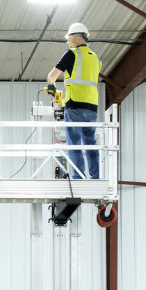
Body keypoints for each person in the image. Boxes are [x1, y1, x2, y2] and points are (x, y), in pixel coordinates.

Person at [46, 23, 102, 179]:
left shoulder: (72, 54)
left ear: (78, 38)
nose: (67, 42)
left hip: (74, 105)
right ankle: (95, 177)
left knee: (74, 143)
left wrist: (51, 86)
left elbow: (52, 76)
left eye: (69, 39)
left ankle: (78, 178)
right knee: (90, 143)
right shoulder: (96, 58)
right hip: (92, 107)